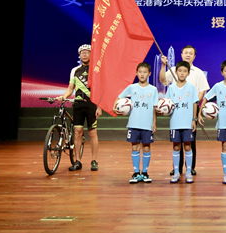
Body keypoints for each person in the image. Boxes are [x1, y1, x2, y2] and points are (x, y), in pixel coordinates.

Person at [160, 45, 209, 176]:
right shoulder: (173, 70)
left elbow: (202, 91)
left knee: (190, 142)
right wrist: (163, 65)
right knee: (176, 144)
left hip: (191, 110)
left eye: (190, 53)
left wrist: (194, 103)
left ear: (194, 56)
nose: (188, 55)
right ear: (181, 55)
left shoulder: (198, 72)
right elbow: (163, 80)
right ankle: (177, 169)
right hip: (177, 114)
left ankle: (190, 168)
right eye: (185, 52)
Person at [56, 44, 102, 172]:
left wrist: (99, 107)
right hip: (78, 104)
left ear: (91, 54)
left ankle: (94, 161)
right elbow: (70, 89)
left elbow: (99, 89)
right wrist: (63, 97)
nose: (84, 54)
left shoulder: (96, 70)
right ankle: (77, 161)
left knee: (92, 132)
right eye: (82, 52)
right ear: (79, 55)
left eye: (87, 52)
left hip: (91, 104)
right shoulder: (75, 70)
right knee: (77, 132)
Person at [113, 62, 158, 184]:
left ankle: (145, 173)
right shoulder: (132, 87)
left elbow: (154, 107)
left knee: (146, 147)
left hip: (147, 124)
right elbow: (119, 97)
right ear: (136, 73)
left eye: (145, 72)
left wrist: (154, 123)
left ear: (149, 73)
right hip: (134, 123)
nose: (142, 74)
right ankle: (136, 173)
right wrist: (114, 107)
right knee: (135, 147)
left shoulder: (153, 89)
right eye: (140, 72)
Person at [164, 61, 199, 184]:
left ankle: (188, 172)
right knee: (176, 146)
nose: (182, 73)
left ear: (188, 73)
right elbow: (167, 104)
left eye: (185, 71)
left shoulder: (191, 87)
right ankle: (176, 173)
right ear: (176, 72)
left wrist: (194, 119)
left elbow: (195, 103)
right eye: (180, 71)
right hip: (175, 123)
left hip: (188, 123)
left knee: (188, 146)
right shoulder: (171, 88)